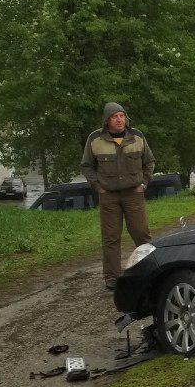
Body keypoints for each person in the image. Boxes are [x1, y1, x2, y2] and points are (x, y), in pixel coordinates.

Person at [81, 102, 154, 291]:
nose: (120, 119)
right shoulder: (95, 139)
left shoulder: (137, 136)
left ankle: (150, 271)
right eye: (115, 117)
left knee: (141, 234)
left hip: (134, 195)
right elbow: (87, 166)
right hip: (109, 196)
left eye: (122, 116)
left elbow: (149, 161)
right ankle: (112, 278)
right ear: (107, 120)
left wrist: (144, 183)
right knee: (111, 238)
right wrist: (97, 187)